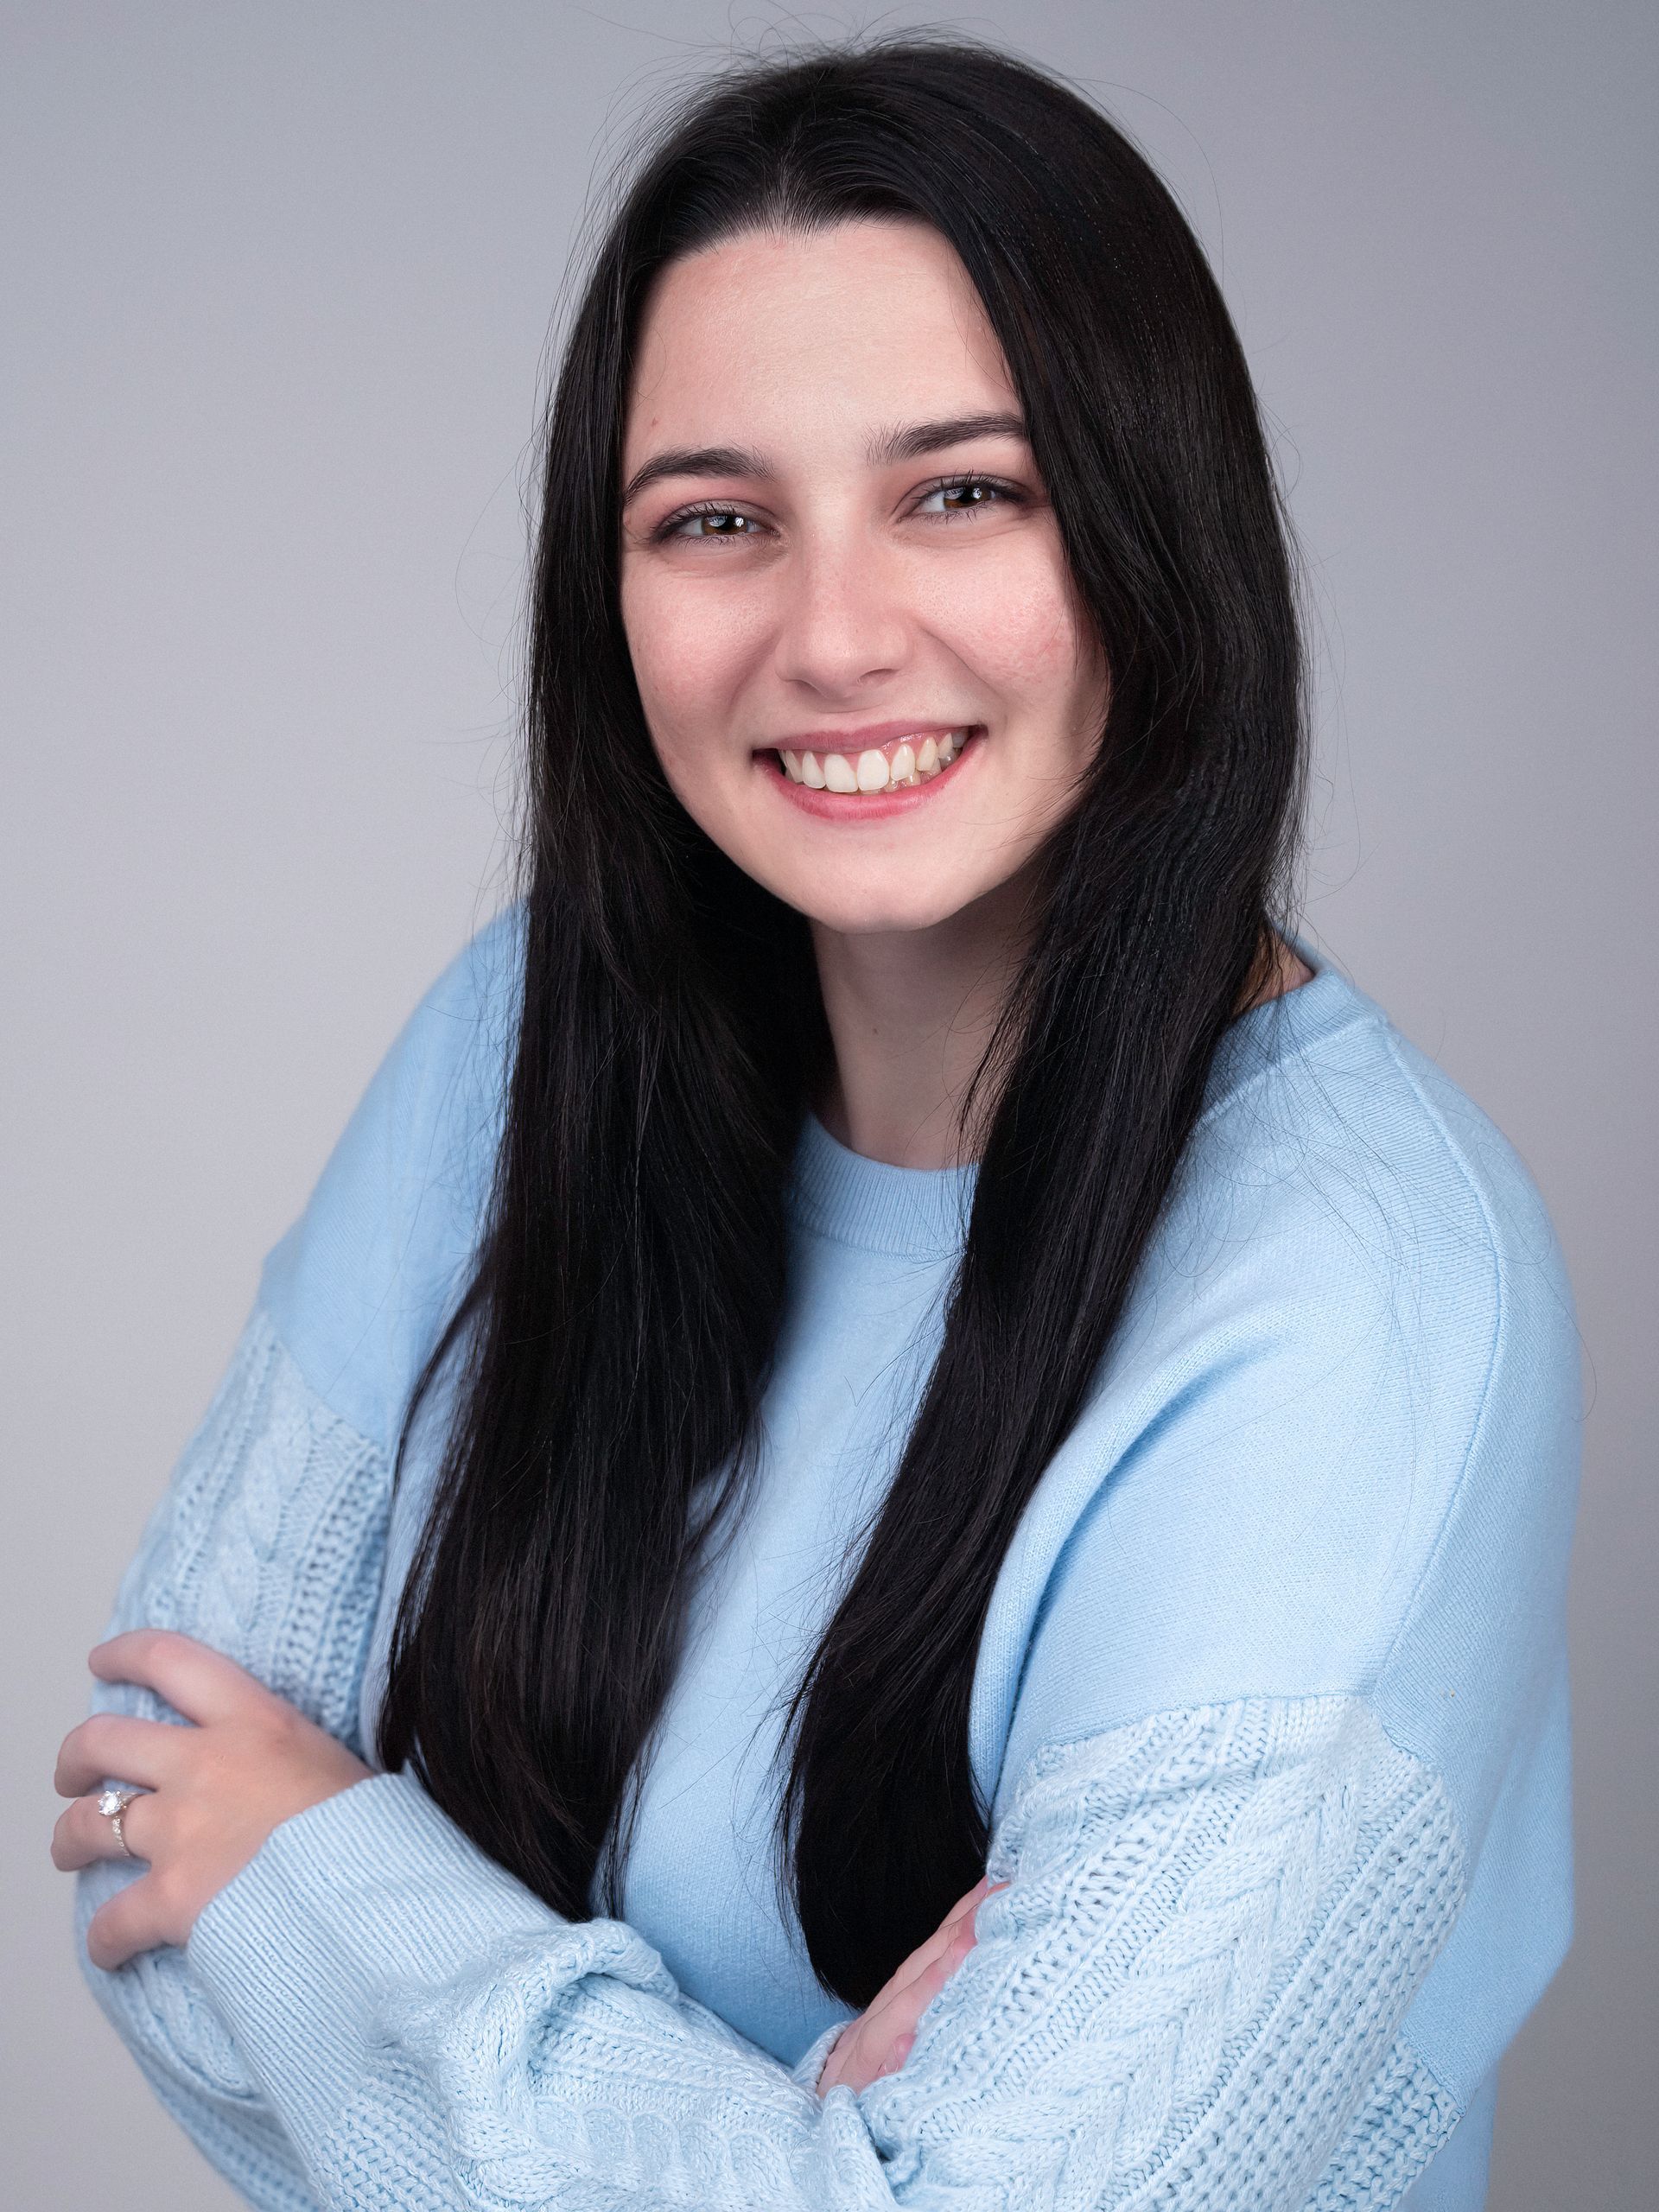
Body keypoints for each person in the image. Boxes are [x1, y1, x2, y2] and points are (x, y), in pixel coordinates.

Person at [50, 35, 1580, 2212]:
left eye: (964, 489)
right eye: (716, 520)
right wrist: (786, 2141)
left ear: (1156, 525)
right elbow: (142, 1835)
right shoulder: (527, 1039)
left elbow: (258, 1897)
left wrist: (333, 1881)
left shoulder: (1366, 1310)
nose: (835, 634)